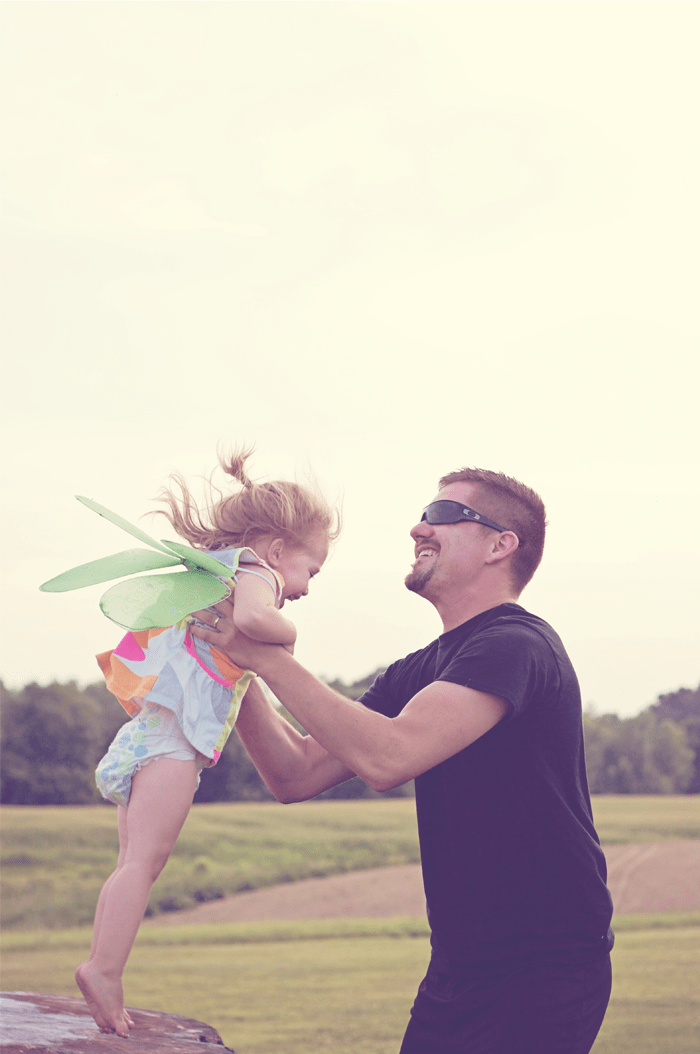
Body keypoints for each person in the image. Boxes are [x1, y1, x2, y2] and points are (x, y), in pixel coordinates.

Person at [192, 467, 614, 1054]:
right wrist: (228, 659)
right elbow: (294, 773)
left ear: (500, 545)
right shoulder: (415, 671)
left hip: (543, 970)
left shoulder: (517, 645)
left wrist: (267, 659)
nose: (418, 528)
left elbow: (388, 757)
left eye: (441, 515)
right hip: (459, 969)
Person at [75, 450, 338, 1038]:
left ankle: (101, 962)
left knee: (131, 863)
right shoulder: (255, 573)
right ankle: (103, 969)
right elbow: (258, 620)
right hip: (171, 742)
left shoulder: (213, 571)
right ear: (278, 550)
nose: (305, 587)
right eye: (312, 570)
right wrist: (289, 632)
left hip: (149, 732)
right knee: (145, 863)